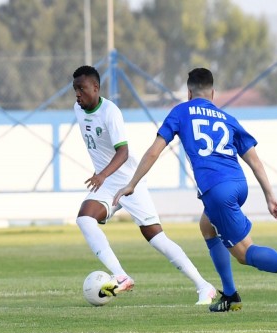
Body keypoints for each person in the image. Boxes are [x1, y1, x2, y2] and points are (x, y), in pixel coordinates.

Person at [113, 67, 277, 312]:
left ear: (189, 93)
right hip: (238, 184)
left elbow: (153, 151)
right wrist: (269, 195)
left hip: (217, 191)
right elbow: (254, 160)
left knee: (245, 253)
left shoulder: (181, 111)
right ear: (213, 92)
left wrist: (132, 183)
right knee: (207, 226)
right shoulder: (226, 118)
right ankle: (230, 294)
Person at [72, 65, 216, 305]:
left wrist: (102, 175)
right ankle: (120, 275)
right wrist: (101, 174)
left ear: (96, 88)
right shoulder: (78, 109)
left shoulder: (111, 112)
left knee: (157, 238)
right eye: (75, 89)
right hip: (106, 182)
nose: (78, 94)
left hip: (129, 181)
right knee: (84, 218)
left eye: (82, 89)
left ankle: (204, 286)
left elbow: (123, 152)